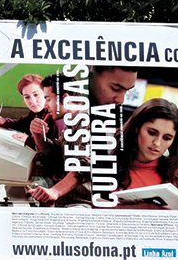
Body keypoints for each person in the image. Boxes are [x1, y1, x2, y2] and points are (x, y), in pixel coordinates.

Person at [27, 65, 138, 205]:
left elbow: (83, 166)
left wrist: (54, 191)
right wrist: (38, 136)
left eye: (48, 99)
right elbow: (57, 155)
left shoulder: (88, 120)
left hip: (84, 204)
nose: (45, 105)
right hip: (70, 200)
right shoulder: (73, 122)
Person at [113, 98, 178, 205]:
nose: (157, 143)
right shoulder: (107, 167)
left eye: (167, 138)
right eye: (152, 132)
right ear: (137, 127)